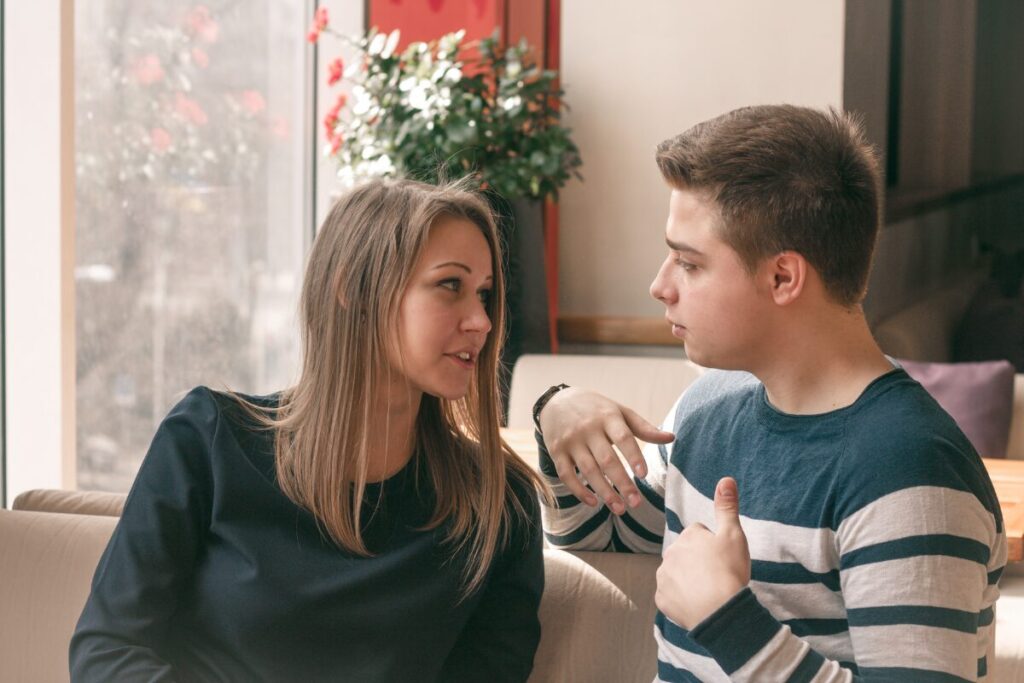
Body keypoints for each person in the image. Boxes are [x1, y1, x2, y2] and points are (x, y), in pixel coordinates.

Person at [535, 105, 1006, 682]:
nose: (660, 286)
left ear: (783, 277)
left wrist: (726, 619)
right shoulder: (706, 407)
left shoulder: (910, 469)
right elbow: (594, 534)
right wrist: (556, 414)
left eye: (689, 263)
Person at [70, 178, 546, 682]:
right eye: (451, 285)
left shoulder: (498, 502)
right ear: (354, 290)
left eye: (485, 294)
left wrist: (557, 403)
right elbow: (107, 650)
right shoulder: (208, 441)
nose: (481, 321)